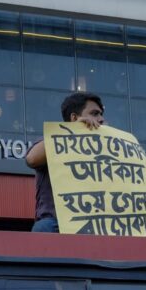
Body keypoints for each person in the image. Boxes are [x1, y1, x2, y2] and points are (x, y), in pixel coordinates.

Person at [24, 92, 105, 232]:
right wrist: (72, 130)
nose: (101, 119)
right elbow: (32, 159)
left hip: (92, 227)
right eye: (95, 113)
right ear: (74, 118)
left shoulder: (105, 151)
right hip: (54, 224)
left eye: (101, 114)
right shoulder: (54, 141)